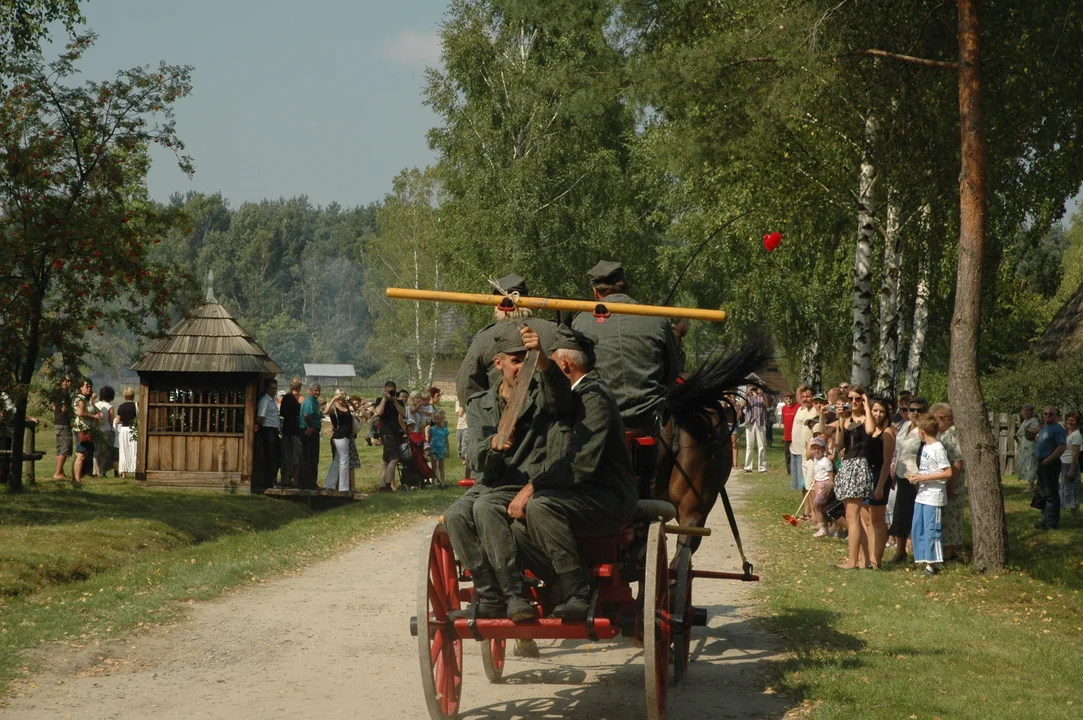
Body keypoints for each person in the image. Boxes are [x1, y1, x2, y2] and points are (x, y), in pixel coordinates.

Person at [512, 323, 638, 621]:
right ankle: (561, 581)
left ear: (564, 364)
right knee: (516, 528)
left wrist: (532, 486)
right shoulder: (573, 397)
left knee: (541, 506)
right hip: (578, 497)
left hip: (606, 497)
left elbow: (581, 463)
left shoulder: (594, 397)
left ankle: (577, 592)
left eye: (551, 363)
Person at [444, 324, 560, 622]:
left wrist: (544, 360)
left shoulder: (542, 396)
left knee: (484, 507)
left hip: (527, 482)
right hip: (492, 481)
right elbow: (477, 458)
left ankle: (515, 595)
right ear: (498, 363)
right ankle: (491, 596)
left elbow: (560, 397)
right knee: (456, 515)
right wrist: (493, 445)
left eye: (527, 359)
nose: (523, 366)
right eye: (516, 360)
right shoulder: (478, 404)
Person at [571, 261, 681, 433]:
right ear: (627, 288)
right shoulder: (657, 319)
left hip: (599, 421)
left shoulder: (580, 323)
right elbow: (672, 374)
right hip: (650, 421)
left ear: (595, 293)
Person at [455, 273, 559, 408]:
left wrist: (485, 415)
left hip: (502, 415)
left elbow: (466, 384)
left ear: (497, 304)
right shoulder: (554, 330)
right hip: (550, 417)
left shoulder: (485, 337)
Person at [833, 386, 877, 569]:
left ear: (863, 399)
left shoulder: (867, 418)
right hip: (847, 466)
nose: (853, 402)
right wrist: (839, 420)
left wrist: (867, 407)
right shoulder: (846, 419)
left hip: (859, 466)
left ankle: (853, 562)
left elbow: (870, 430)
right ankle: (863, 560)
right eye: (850, 399)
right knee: (853, 517)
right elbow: (838, 444)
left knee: (853, 515)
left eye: (857, 399)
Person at [907, 414, 952, 575]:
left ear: (922, 431)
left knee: (931, 529)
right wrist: (917, 476)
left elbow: (947, 472)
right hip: (922, 494)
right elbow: (928, 469)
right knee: (918, 528)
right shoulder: (925, 447)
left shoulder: (938, 448)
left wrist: (924, 477)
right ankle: (925, 559)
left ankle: (933, 564)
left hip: (934, 496)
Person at [888, 397, 928, 563]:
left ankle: (920, 553)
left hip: (916, 476)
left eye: (920, 410)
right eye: (912, 409)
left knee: (915, 514)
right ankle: (900, 551)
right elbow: (898, 450)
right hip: (901, 473)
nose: (915, 413)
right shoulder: (904, 426)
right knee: (900, 513)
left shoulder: (925, 429)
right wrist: (893, 470)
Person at [861, 395, 895, 567]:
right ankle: (865, 558)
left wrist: (880, 485)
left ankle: (877, 559)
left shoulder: (887, 433)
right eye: (875, 410)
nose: (878, 414)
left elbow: (887, 462)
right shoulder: (869, 429)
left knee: (877, 521)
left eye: (882, 411)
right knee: (866, 521)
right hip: (866, 476)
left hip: (879, 475)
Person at [931, 402, 967, 561]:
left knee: (951, 517)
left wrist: (951, 485)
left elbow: (958, 461)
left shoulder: (954, 435)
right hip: (946, 482)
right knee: (948, 516)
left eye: (935, 420)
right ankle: (950, 552)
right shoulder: (943, 435)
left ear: (943, 418)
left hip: (953, 483)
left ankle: (949, 552)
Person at [1033, 406, 1068, 530]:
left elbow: (1062, 447)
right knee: (1042, 493)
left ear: (1055, 416)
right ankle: (1044, 520)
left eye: (1050, 414)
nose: (1047, 416)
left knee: (1051, 493)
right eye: (1045, 413)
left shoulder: (1058, 428)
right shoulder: (1045, 427)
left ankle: (1051, 522)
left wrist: (1049, 459)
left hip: (1050, 464)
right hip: (1041, 463)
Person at [374, 381, 405, 492]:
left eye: (392, 391)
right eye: (388, 390)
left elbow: (403, 413)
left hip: (395, 432)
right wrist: (384, 398)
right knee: (395, 458)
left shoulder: (399, 402)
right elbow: (379, 412)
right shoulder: (379, 400)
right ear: (385, 390)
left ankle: (382, 486)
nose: (391, 393)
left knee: (386, 461)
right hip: (386, 432)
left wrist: (394, 401)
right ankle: (388, 485)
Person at [324, 389, 357, 492]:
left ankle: (330, 484)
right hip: (339, 436)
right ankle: (344, 487)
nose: (341, 397)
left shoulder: (346, 406)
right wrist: (334, 399)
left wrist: (350, 401)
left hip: (346, 436)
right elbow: (325, 412)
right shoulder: (334, 407)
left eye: (343, 394)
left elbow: (355, 408)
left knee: (337, 461)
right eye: (339, 395)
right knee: (344, 460)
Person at [71, 378, 101, 488]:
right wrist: (94, 416)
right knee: (81, 455)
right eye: (87, 386)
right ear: (81, 387)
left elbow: (91, 409)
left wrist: (97, 412)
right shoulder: (80, 398)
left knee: (83, 454)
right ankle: (77, 481)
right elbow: (80, 413)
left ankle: (77, 478)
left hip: (87, 429)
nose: (89, 388)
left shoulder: (86, 399)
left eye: (90, 386)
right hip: (81, 430)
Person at [254, 379, 281, 490]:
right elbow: (260, 417)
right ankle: (268, 482)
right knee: (269, 456)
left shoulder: (272, 400)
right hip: (267, 430)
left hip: (274, 430)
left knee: (275, 456)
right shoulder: (265, 401)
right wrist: (260, 425)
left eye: (275, 388)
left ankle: (271, 480)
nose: (274, 390)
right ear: (266, 389)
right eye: (271, 388)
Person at [790, 386, 816, 496]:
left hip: (805, 451)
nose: (805, 399)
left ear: (813, 397)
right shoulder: (800, 409)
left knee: (808, 484)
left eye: (808, 396)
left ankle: (811, 512)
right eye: (803, 396)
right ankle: (806, 512)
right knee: (802, 484)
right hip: (795, 450)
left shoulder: (813, 410)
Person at [809, 436, 836, 537]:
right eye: (814, 448)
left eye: (819, 448)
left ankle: (822, 528)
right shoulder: (815, 459)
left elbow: (831, 476)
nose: (817, 450)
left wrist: (830, 484)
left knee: (815, 506)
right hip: (818, 483)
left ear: (824, 449)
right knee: (820, 507)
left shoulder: (826, 461)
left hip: (824, 485)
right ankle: (824, 528)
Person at [279, 377, 303, 487]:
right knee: (295, 455)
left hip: (288, 428)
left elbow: (282, 413)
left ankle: (286, 478)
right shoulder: (300, 398)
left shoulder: (286, 398)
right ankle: (294, 479)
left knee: (287, 455)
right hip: (295, 429)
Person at [298, 383, 322, 490]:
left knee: (312, 458)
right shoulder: (309, 401)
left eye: (318, 390)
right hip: (308, 431)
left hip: (313, 430)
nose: (317, 392)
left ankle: (311, 483)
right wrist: (311, 426)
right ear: (310, 390)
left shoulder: (314, 401)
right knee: (309, 457)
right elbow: (307, 415)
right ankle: (307, 483)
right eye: (315, 390)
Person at [1059, 411, 1081, 520]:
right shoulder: (1068, 433)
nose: (1069, 422)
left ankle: (1074, 516)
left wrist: (1071, 470)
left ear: (1077, 422)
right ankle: (1064, 513)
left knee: (1073, 490)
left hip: (1071, 465)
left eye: (1072, 420)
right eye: (1068, 419)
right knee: (1064, 488)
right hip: (1063, 463)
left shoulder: (1077, 435)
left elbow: (1076, 454)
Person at [51, 375, 74, 480]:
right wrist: (71, 414)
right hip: (64, 423)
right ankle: (57, 473)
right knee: (65, 447)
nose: (69, 383)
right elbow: (65, 408)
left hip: (57, 421)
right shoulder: (65, 393)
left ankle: (61, 472)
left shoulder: (57, 392)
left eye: (70, 381)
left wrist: (57, 413)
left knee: (60, 448)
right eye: (67, 381)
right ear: (62, 382)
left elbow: (53, 406)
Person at [742, 386, 768, 473]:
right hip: (750, 423)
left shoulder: (762, 396)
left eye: (754, 388)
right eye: (751, 388)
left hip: (760, 422)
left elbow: (767, 405)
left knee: (762, 445)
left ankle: (762, 467)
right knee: (749, 445)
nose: (753, 390)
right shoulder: (748, 397)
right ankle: (748, 466)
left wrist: (762, 395)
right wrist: (747, 394)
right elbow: (742, 404)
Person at [1015, 404, 1040, 492]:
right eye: (1024, 410)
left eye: (1028, 410)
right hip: (1024, 446)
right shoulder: (1025, 421)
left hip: (1030, 446)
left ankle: (1031, 485)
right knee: (1026, 464)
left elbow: (1038, 430)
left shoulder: (1033, 421)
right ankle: (1030, 484)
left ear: (1032, 411)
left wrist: (1028, 429)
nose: (1026, 412)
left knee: (1031, 465)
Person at [93, 386, 115, 477]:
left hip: (96, 430)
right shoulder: (110, 407)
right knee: (105, 452)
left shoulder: (96, 405)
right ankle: (103, 471)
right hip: (106, 430)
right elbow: (111, 421)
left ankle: (95, 471)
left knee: (96, 451)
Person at [116, 387, 138, 478]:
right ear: (133, 396)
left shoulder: (121, 406)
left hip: (124, 430)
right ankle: (135, 469)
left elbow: (118, 420)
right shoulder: (136, 405)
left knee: (123, 450)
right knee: (134, 450)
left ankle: (124, 473)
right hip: (134, 429)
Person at [427, 409, 450, 488]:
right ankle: (433, 482)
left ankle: (442, 481)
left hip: (442, 450)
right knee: (434, 467)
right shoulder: (432, 429)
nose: (439, 420)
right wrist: (428, 449)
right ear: (434, 419)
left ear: (443, 419)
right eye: (437, 418)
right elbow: (429, 440)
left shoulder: (445, 430)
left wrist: (448, 451)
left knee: (441, 467)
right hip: (433, 450)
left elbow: (447, 441)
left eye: (441, 418)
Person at [780, 390, 799, 473]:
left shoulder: (797, 407)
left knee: (796, 453)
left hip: (796, 435)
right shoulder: (784, 408)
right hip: (787, 435)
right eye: (786, 399)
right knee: (787, 454)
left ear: (793, 398)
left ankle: (797, 469)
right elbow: (784, 421)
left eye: (790, 398)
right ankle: (789, 470)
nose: (788, 400)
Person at [455, 397, 471, 479]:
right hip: (459, 427)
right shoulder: (458, 402)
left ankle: (466, 464)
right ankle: (464, 462)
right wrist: (462, 402)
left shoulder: (469, 401)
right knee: (459, 448)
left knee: (464, 445)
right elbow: (460, 413)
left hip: (467, 426)